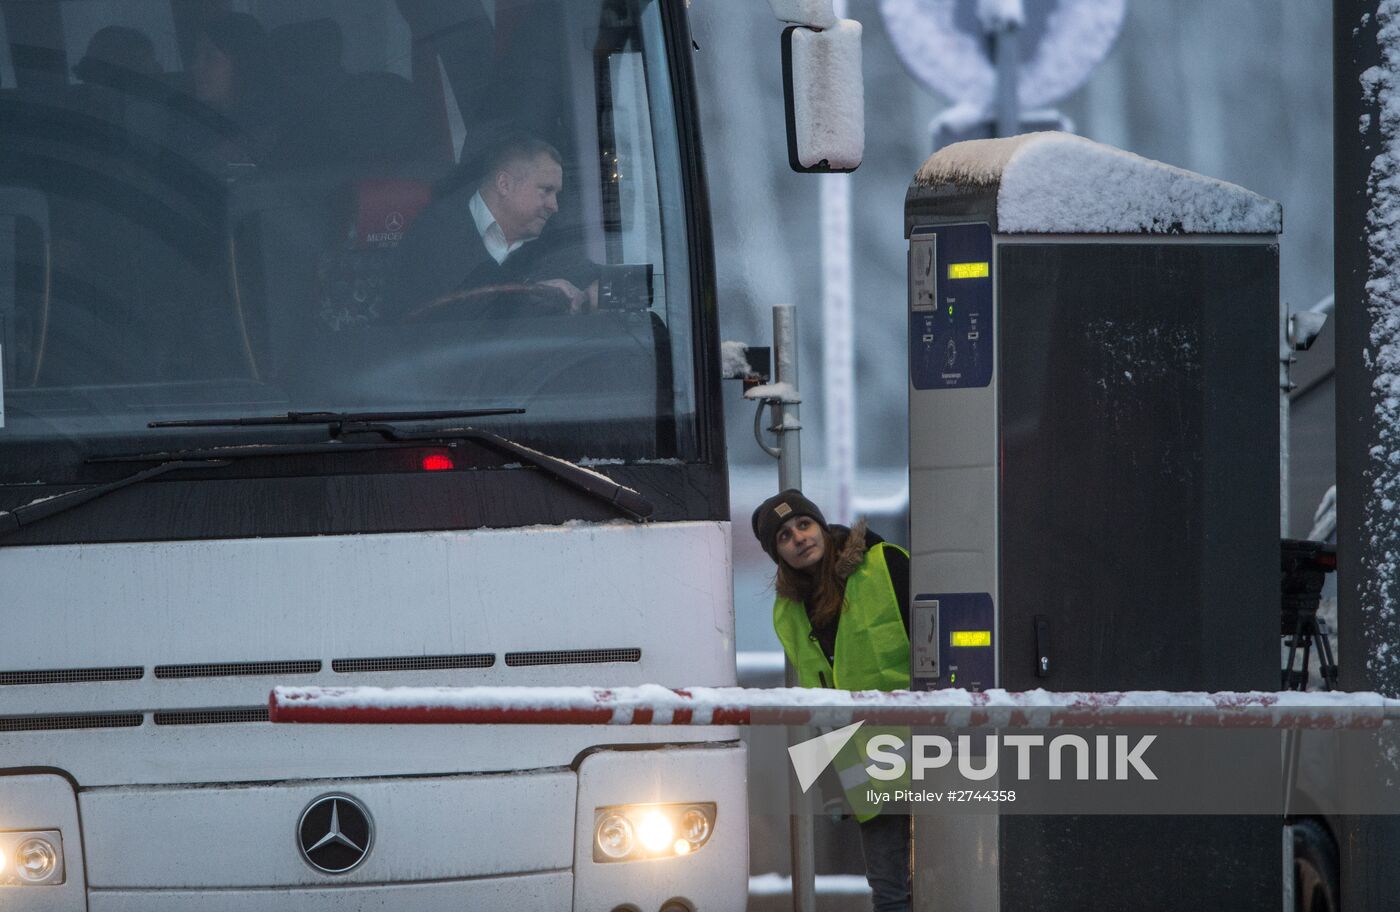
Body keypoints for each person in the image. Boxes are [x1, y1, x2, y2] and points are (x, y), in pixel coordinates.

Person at [752, 489, 913, 912]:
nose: (799, 538)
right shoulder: (787, 612)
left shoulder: (885, 562)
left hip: (926, 746)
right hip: (864, 765)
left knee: (952, 870)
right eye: (784, 536)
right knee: (890, 893)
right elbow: (816, 697)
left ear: (821, 526)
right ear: (777, 554)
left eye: (804, 525)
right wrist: (832, 787)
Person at [389, 134, 598, 318]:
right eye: (546, 190)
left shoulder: (561, 243)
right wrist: (530, 293)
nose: (555, 206)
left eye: (557, 194)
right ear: (504, 184)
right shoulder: (430, 238)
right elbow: (415, 327)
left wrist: (587, 299)